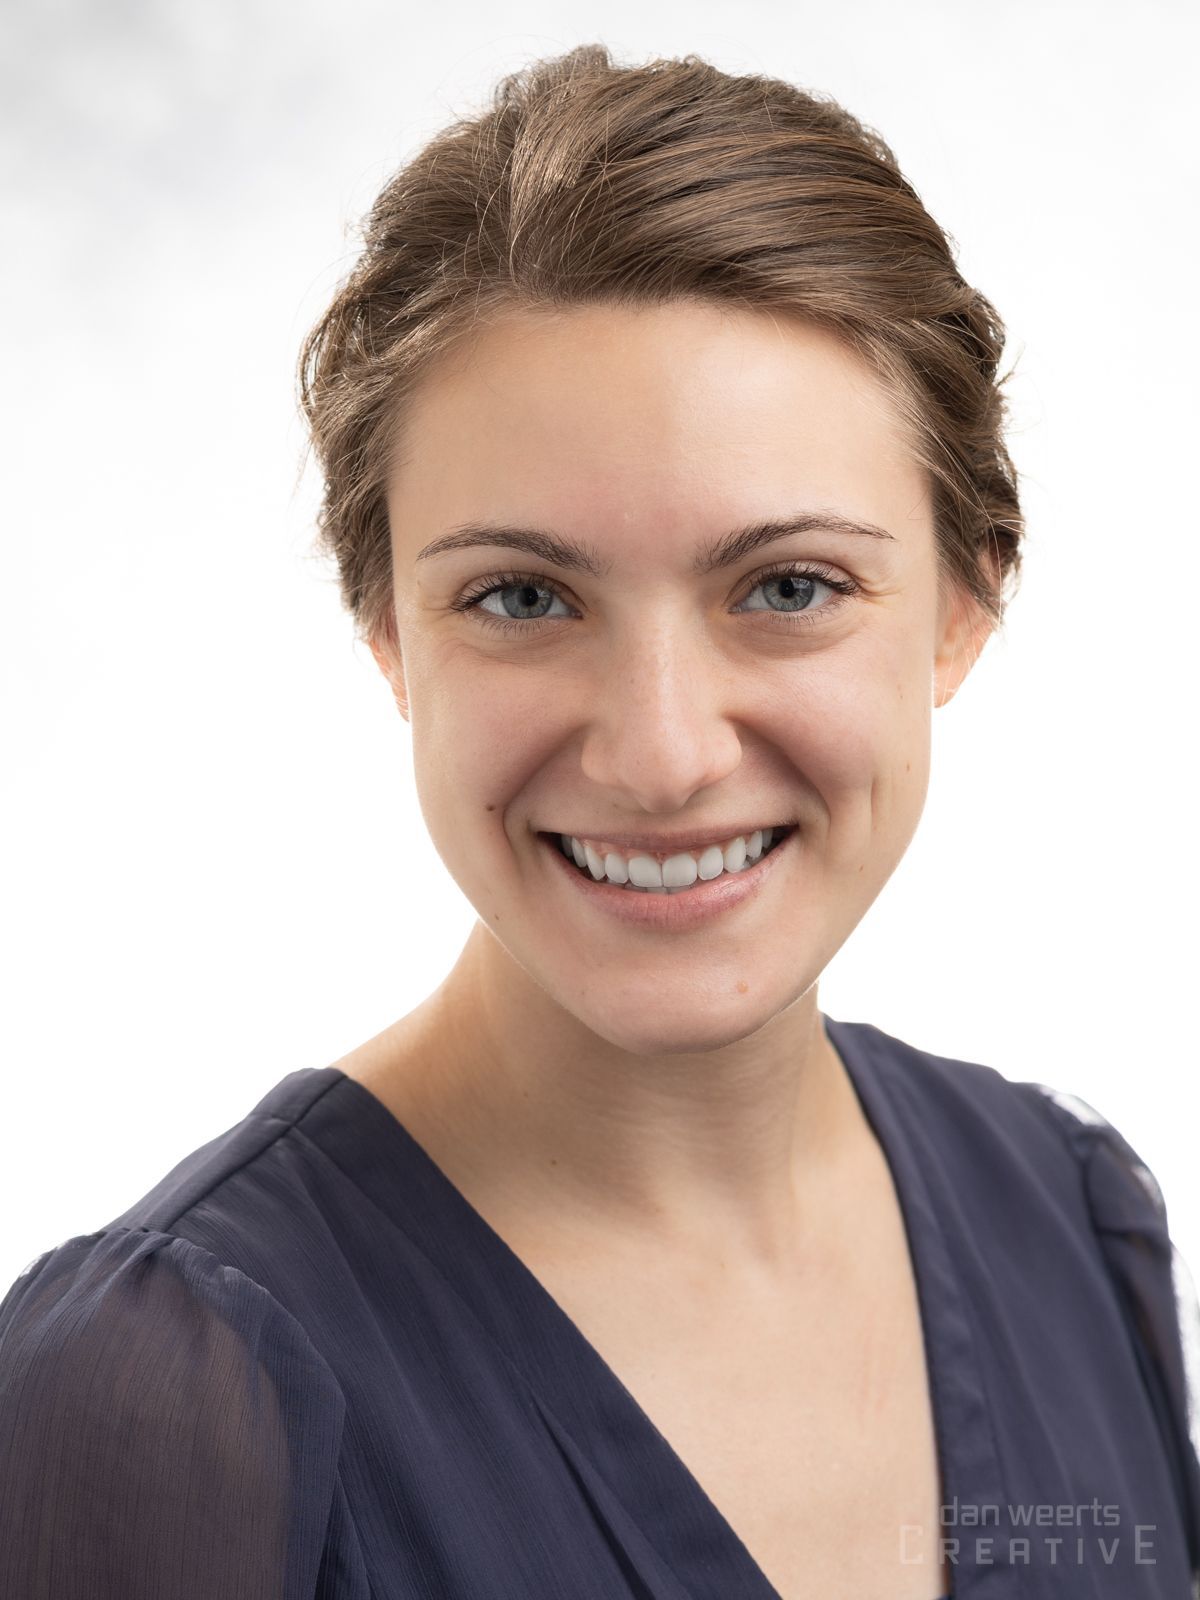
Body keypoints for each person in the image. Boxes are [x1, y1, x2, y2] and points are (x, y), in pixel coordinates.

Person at [1, 41, 1197, 1600]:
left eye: (787, 588)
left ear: (968, 602)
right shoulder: (162, 1401)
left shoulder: (1067, 1219)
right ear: (386, 630)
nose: (660, 753)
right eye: (521, 596)